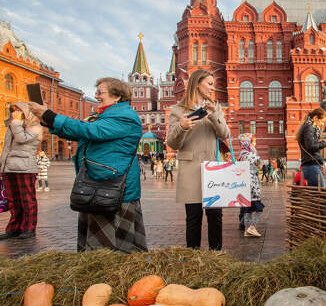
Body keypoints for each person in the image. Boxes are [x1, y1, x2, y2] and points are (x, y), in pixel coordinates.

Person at [29, 78, 147, 252]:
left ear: (117, 96)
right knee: (98, 242)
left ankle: (115, 275)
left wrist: (49, 115)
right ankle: (101, 275)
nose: (96, 96)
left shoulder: (125, 116)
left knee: (116, 247)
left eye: (101, 92)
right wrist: (46, 118)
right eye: (96, 91)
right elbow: (79, 131)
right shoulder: (103, 115)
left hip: (115, 187)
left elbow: (91, 131)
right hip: (99, 185)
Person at [166, 69, 230, 250]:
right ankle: (192, 258)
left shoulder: (214, 107)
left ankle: (215, 257)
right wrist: (182, 126)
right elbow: (172, 142)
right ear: (197, 83)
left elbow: (224, 134)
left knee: (215, 216)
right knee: (193, 217)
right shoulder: (178, 110)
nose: (212, 88)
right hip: (191, 169)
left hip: (213, 169)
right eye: (209, 83)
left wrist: (214, 115)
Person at [0, 103, 42, 240]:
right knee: (13, 201)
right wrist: (2, 165)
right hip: (9, 168)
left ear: (26, 112)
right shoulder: (13, 126)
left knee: (27, 200)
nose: (15, 113)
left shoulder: (35, 127)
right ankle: (14, 228)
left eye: (18, 111)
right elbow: (6, 148)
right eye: (13, 111)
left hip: (25, 167)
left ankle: (29, 228)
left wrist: (16, 123)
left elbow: (21, 139)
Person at [297, 108, 326, 187]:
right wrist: (325, 142)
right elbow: (311, 147)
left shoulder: (309, 127)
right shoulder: (308, 127)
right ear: (316, 118)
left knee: (315, 194)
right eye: (322, 121)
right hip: (311, 167)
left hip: (311, 166)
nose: (322, 124)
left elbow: (312, 146)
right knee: (321, 193)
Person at [237, 133, 264, 237]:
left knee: (248, 209)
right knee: (259, 208)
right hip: (252, 184)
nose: (255, 143)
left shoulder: (242, 154)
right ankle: (252, 227)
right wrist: (256, 155)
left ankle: (247, 230)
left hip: (246, 183)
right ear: (249, 143)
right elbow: (260, 164)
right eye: (254, 141)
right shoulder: (250, 154)